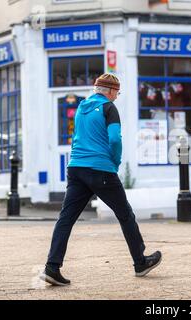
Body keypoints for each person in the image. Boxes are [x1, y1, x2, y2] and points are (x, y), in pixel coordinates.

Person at [40, 74, 162, 286]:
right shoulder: (108, 108)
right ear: (111, 91)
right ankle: (140, 262)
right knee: (125, 215)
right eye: (117, 92)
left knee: (66, 218)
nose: (117, 96)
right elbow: (114, 139)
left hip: (76, 168)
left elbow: (77, 136)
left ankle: (52, 267)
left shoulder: (81, 108)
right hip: (101, 169)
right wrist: (114, 162)